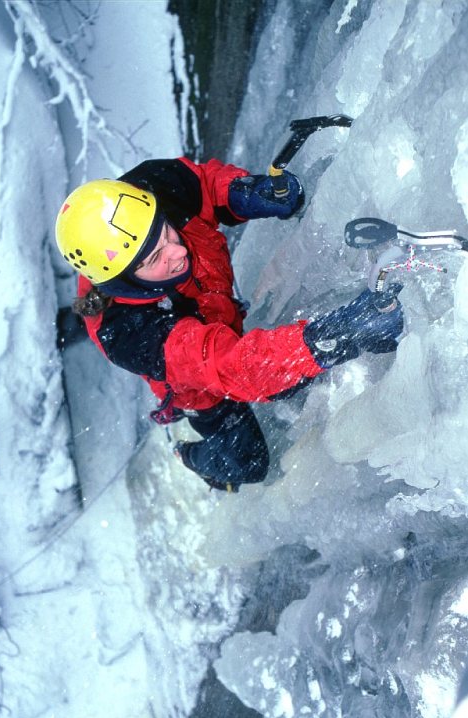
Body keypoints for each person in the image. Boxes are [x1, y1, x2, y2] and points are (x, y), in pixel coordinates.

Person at [55, 157, 403, 492]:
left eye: (166, 234)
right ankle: (191, 456)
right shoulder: (130, 332)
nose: (177, 252)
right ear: (124, 281)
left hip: (217, 312)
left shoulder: (151, 190)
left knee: (291, 376)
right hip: (199, 385)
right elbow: (229, 366)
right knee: (250, 462)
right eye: (154, 258)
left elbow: (204, 185)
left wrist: (240, 192)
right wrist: (334, 335)